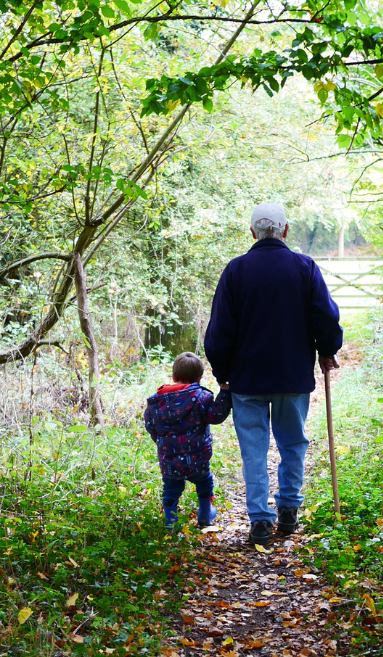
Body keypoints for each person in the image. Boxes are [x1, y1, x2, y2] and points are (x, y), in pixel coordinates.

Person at [204, 202, 343, 546]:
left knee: (254, 450)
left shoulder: (235, 271)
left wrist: (223, 373)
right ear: (285, 230)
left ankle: (260, 522)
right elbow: (325, 316)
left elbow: (220, 329)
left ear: (252, 232)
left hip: (246, 379)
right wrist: (327, 349)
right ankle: (288, 511)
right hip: (291, 376)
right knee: (293, 443)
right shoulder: (304, 267)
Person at [144, 352, 232, 528]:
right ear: (199, 378)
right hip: (197, 457)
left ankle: (171, 523)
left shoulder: (157, 401)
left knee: (171, 487)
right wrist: (225, 393)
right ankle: (205, 515)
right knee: (204, 481)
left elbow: (150, 426)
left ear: (174, 376)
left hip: (169, 459)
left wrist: (163, 444)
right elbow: (215, 416)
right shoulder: (202, 398)